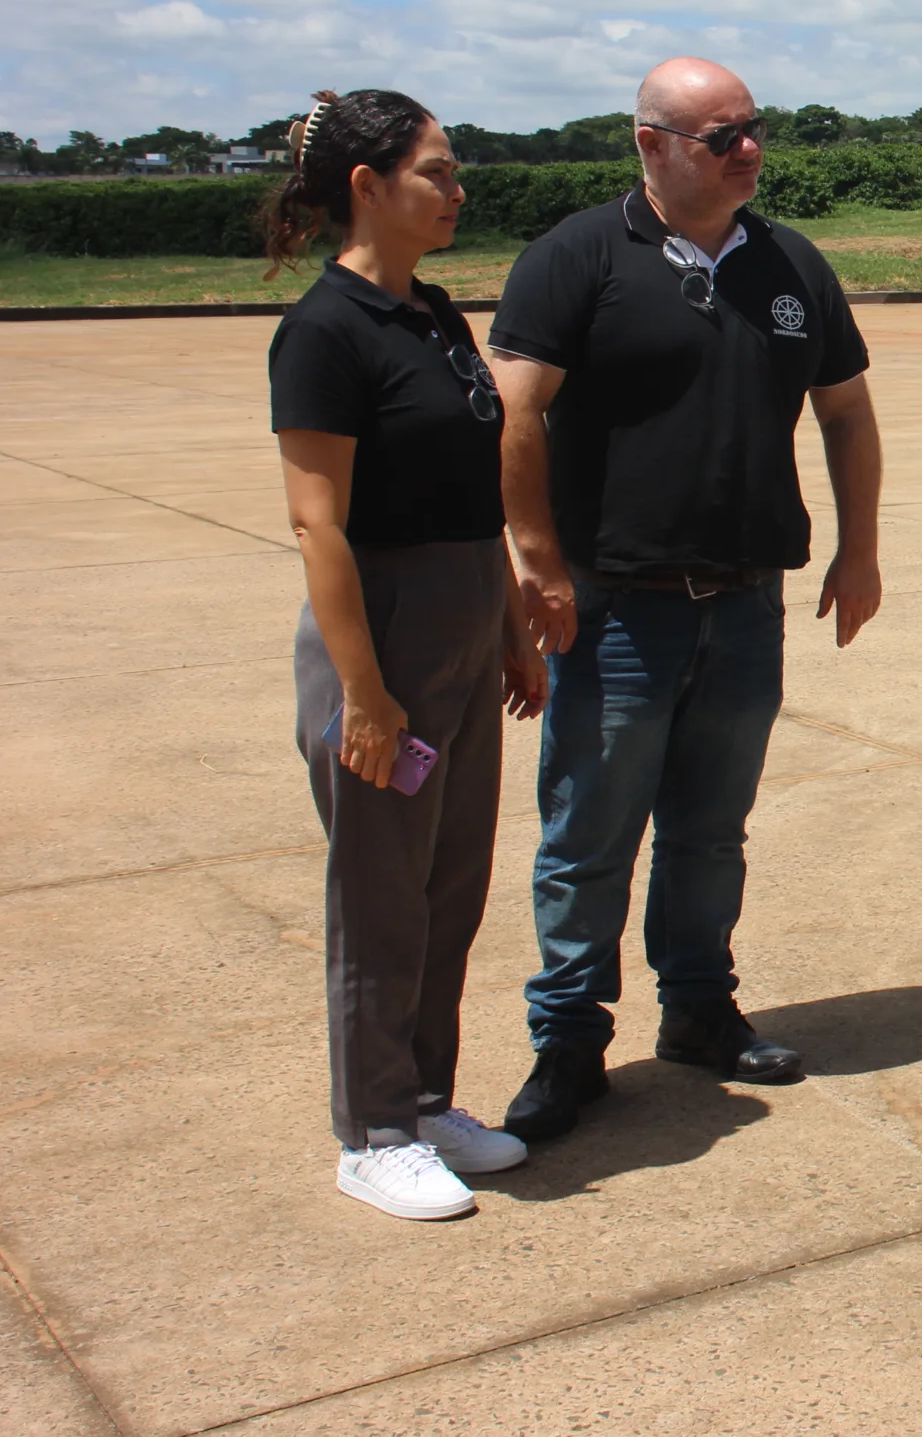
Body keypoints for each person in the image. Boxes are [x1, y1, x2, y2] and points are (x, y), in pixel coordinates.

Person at [484, 58, 881, 1145]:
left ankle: (700, 1008)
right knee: (590, 834)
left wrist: (860, 550)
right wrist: (536, 559)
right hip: (615, 609)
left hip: (745, 603)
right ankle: (568, 1039)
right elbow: (515, 413)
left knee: (710, 833)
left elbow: (845, 412)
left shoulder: (790, 263)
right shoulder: (577, 259)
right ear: (651, 144)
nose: (748, 149)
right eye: (721, 136)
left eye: (755, 129)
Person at [266, 88, 549, 1221]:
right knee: (380, 896)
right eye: (435, 171)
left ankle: (427, 1096)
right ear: (366, 187)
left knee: (450, 883)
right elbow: (316, 525)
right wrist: (366, 698)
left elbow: (470, 497)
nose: (456, 190)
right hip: (375, 634)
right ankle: (372, 1128)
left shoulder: (433, 314)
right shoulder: (324, 332)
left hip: (463, 621)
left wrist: (513, 632)